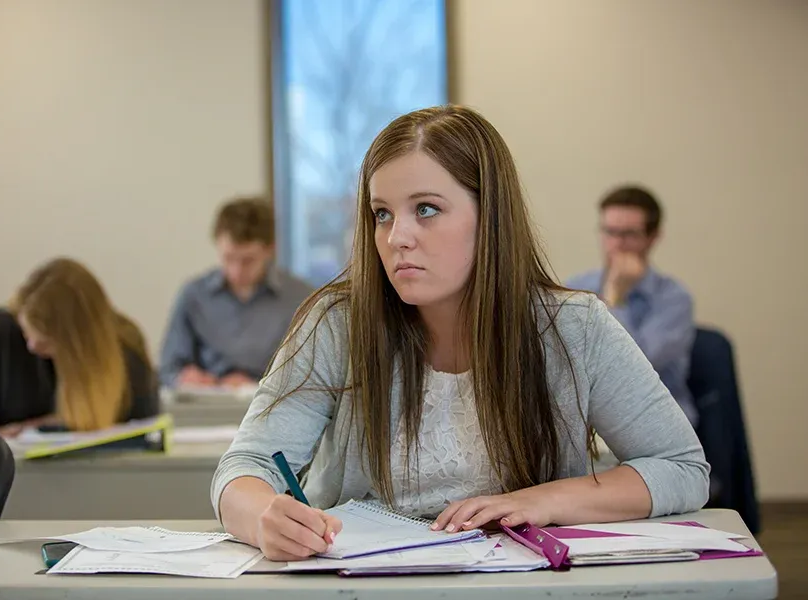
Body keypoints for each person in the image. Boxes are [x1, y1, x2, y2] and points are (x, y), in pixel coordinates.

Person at [209, 105, 710, 562]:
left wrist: (543, 499)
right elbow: (244, 469)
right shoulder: (336, 323)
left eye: (426, 209)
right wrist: (262, 517)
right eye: (382, 213)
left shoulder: (574, 327)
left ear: (488, 216)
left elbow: (681, 467)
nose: (396, 237)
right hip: (362, 585)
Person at [0, 257, 159, 436]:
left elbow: (143, 431)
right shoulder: (0, 331)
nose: (31, 347)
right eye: (26, 333)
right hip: (14, 478)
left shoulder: (126, 346)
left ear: (78, 341)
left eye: (47, 341)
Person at [566, 186, 697, 425]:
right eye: (609, 232)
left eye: (628, 234)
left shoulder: (674, 298)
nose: (616, 244)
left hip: (657, 422)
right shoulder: (575, 288)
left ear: (653, 237)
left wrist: (616, 298)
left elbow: (632, 367)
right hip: (591, 421)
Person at [159, 197, 314, 389]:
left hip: (276, 407)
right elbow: (168, 369)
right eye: (228, 258)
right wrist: (184, 378)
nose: (236, 271)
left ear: (269, 250)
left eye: (248, 260)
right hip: (207, 408)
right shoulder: (193, 295)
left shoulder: (302, 298)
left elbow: (314, 374)